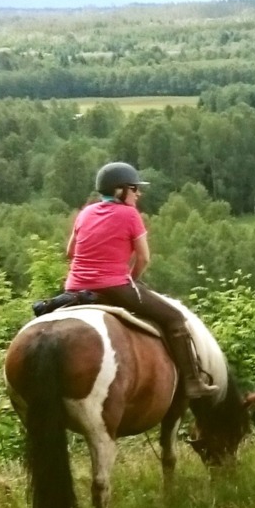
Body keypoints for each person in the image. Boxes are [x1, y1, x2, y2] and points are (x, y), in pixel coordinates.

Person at [62, 162, 218, 404]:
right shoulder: (130, 214)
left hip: (74, 288)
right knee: (175, 318)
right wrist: (130, 280)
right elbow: (144, 258)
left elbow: (70, 251)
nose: (139, 194)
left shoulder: (85, 213)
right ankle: (193, 383)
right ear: (120, 191)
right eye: (134, 189)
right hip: (114, 286)